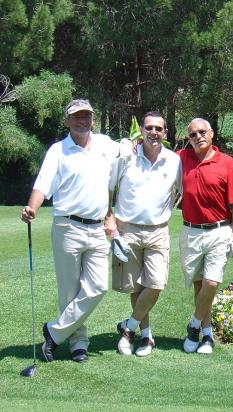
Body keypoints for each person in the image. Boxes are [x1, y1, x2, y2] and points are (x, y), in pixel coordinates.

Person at [20, 99, 120, 363]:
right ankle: (78, 344)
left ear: (92, 118)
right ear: (67, 121)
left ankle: (53, 333)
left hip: (97, 228)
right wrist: (32, 208)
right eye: (76, 116)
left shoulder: (105, 145)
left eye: (86, 115)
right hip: (68, 227)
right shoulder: (58, 151)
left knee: (98, 287)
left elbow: (129, 151)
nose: (82, 120)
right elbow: (43, 185)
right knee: (69, 292)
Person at [107, 111, 181, 357]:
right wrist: (111, 219)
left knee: (156, 284)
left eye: (158, 129)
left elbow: (180, 190)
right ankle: (146, 336)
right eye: (149, 128)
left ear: (166, 133)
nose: (154, 133)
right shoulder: (127, 156)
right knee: (136, 288)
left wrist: (170, 208)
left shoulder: (173, 161)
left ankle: (128, 328)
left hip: (158, 231)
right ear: (142, 131)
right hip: (128, 229)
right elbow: (110, 188)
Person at [178, 118, 233, 355]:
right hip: (191, 231)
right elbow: (156, 156)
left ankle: (193, 323)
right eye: (193, 134)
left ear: (212, 133)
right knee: (199, 285)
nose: (198, 137)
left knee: (211, 282)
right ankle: (206, 335)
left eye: (202, 132)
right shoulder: (181, 159)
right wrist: (133, 145)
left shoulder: (227, 163)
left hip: (219, 231)